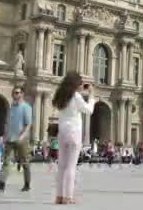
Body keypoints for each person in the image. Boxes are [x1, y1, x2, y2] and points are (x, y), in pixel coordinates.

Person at [51, 72, 95, 205]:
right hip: (74, 132)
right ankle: (68, 197)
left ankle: (59, 196)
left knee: (62, 166)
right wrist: (91, 96)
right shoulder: (76, 96)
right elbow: (88, 110)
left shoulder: (61, 96)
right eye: (80, 83)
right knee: (71, 166)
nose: (82, 86)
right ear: (76, 84)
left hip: (62, 132)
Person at [0, 86, 32, 192]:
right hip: (9, 139)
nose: (15, 94)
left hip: (21, 139)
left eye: (17, 92)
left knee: (25, 162)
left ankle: (27, 184)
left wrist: (22, 136)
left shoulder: (26, 107)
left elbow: (28, 124)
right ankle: (1, 183)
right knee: (5, 161)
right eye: (14, 93)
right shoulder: (11, 107)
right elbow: (8, 123)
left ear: (22, 94)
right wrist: (4, 136)